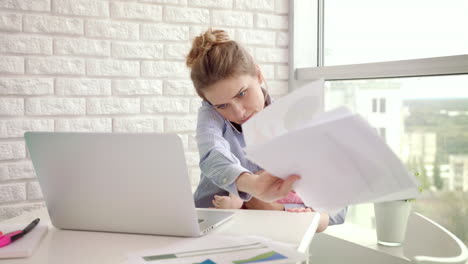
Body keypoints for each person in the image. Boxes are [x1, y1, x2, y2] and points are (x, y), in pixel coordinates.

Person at [186, 28, 346, 231]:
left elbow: (338, 208)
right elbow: (212, 154)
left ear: (258, 74)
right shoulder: (211, 115)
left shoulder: (292, 122)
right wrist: (252, 184)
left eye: (242, 93)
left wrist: (279, 210)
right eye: (222, 105)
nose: (239, 112)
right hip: (210, 230)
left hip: (272, 234)